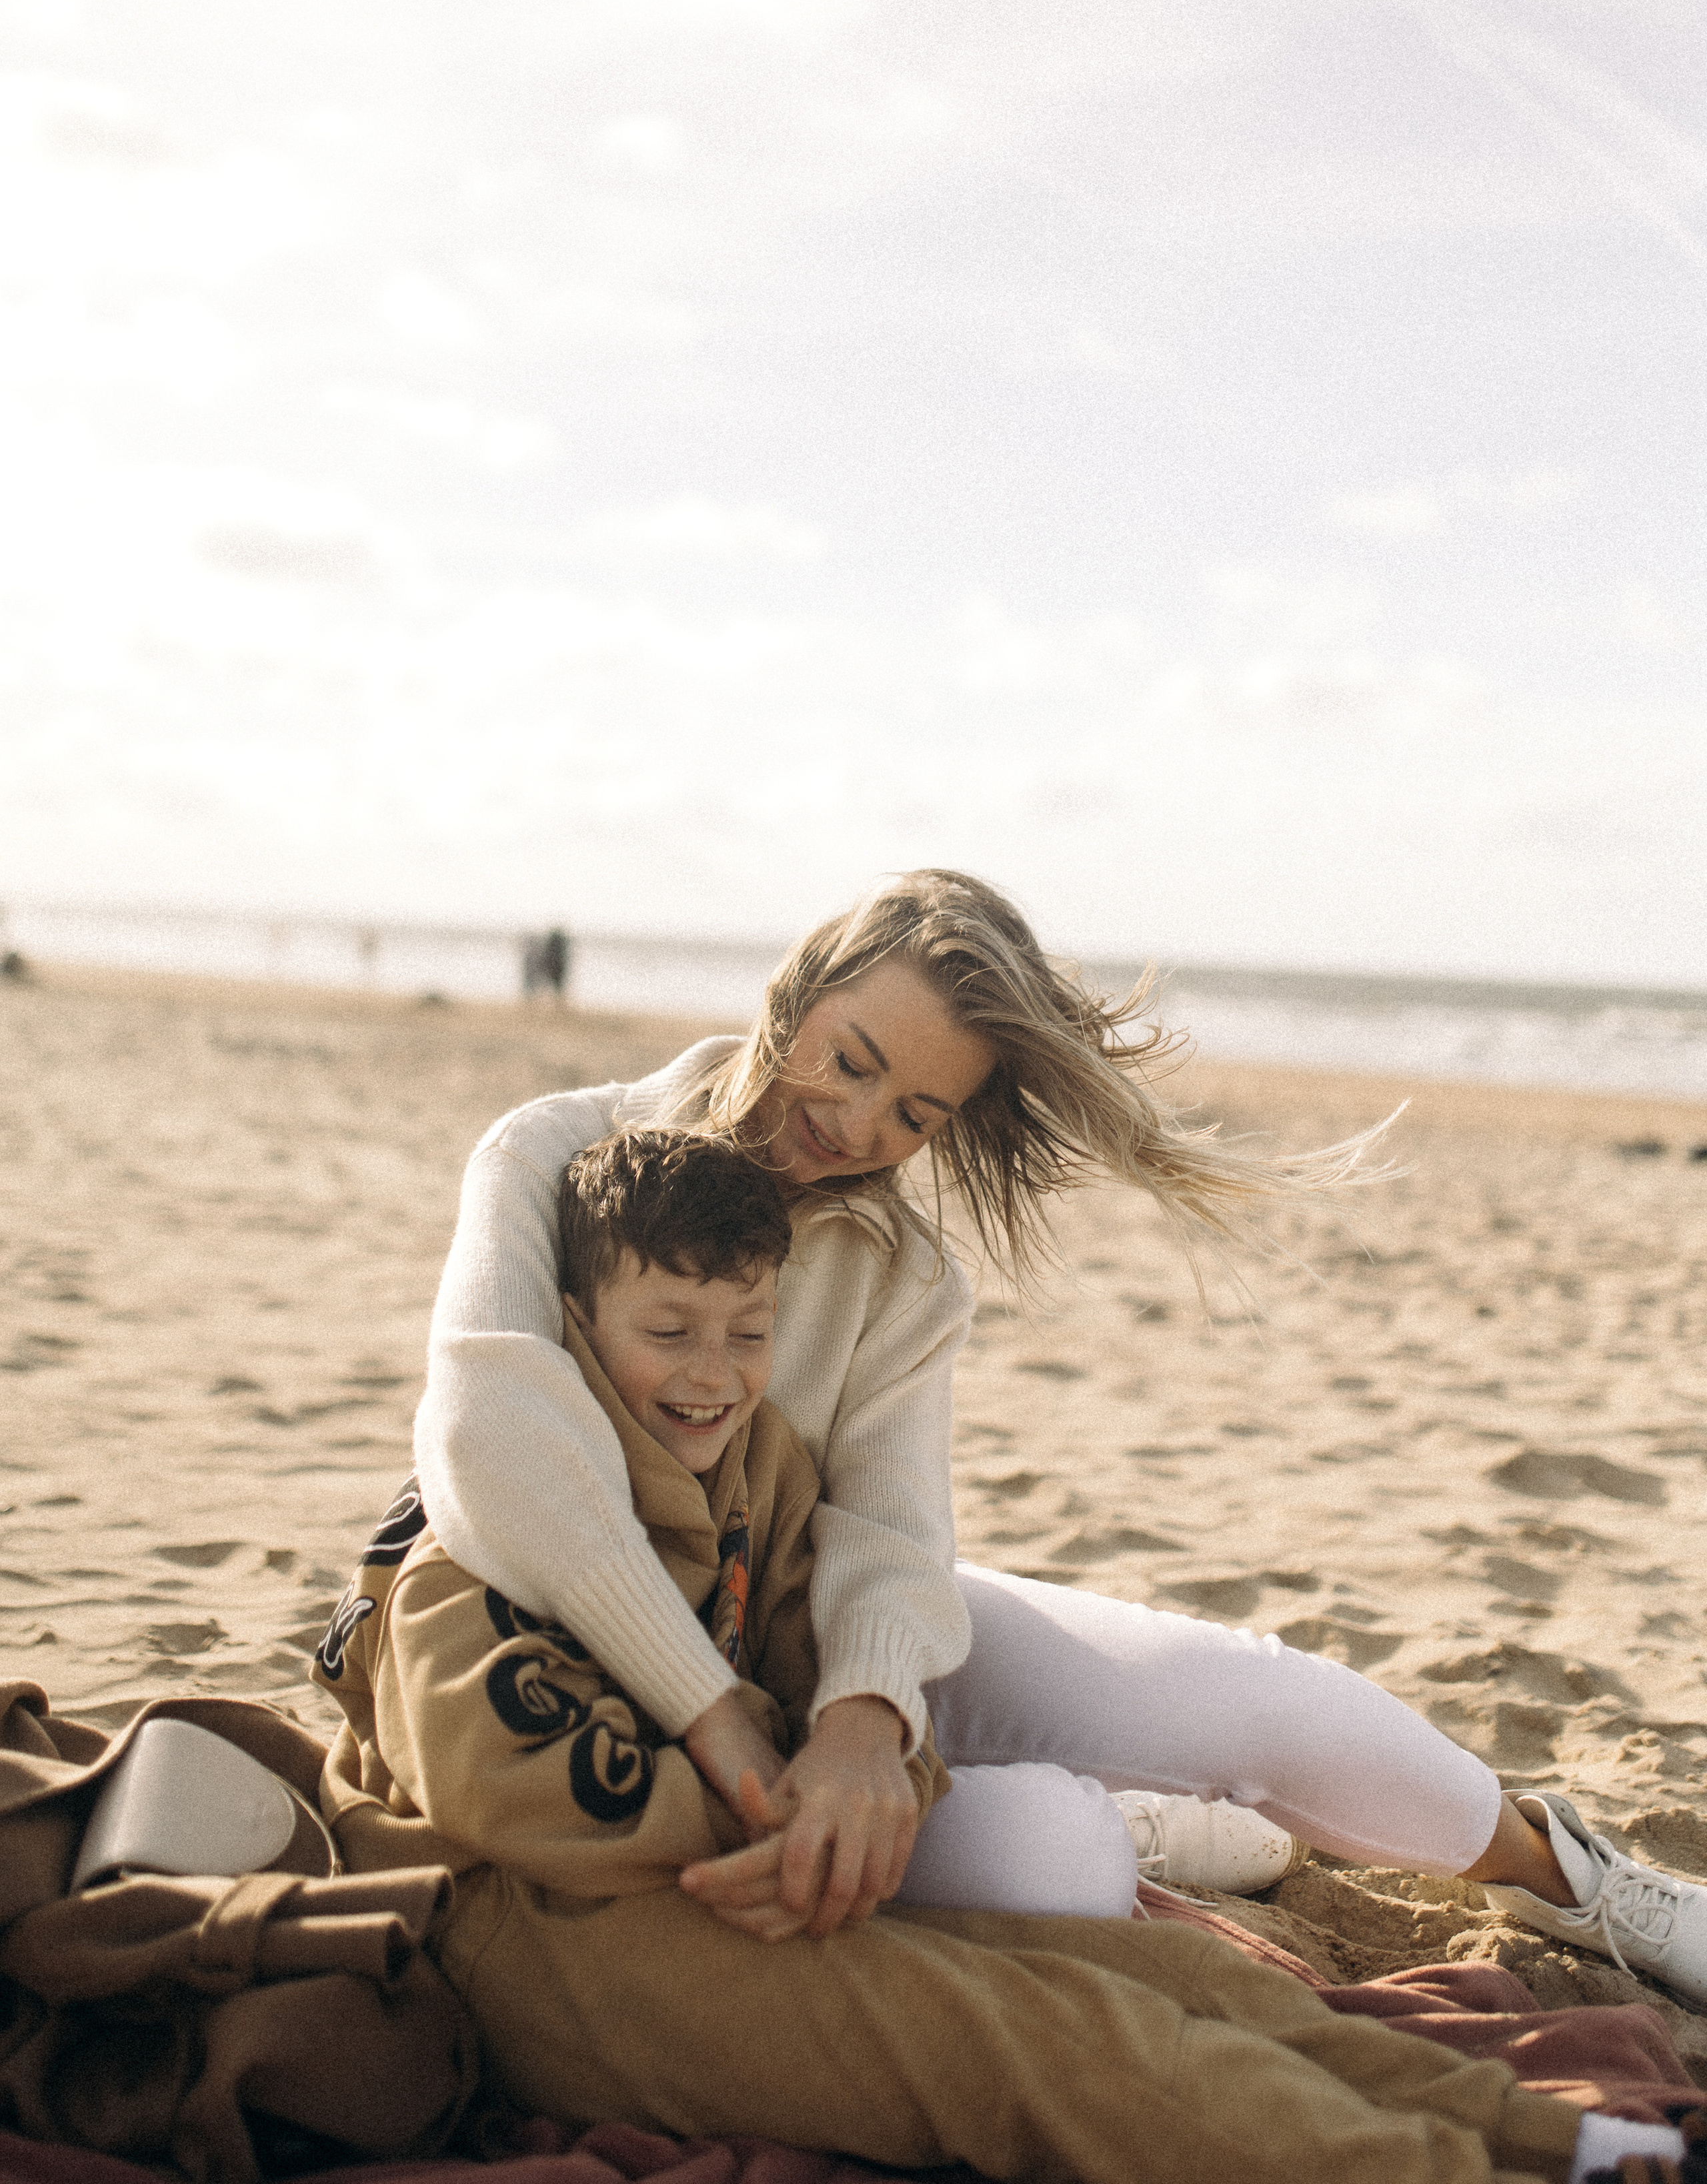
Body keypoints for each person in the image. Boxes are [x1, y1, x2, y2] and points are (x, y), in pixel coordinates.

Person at [413, 868, 1707, 2005]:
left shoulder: (904, 1281)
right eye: (852, 1059)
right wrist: (719, 1719)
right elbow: (486, 1449)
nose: (861, 1128)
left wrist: (864, 1720)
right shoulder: (553, 1152)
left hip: (807, 1638)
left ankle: (1580, 1882)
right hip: (611, 1680)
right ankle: (1160, 1834)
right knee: (1062, 1866)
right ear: (792, 991)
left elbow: (888, 1531)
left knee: (1267, 1703)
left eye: (917, 1113)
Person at [321, 1127, 1686, 2184]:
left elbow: (866, 1675)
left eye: (745, 1335)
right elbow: (507, 1786)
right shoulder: (479, 1544)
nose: (710, 1373)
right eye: (665, 1333)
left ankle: (1548, 2137)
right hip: (546, 1938)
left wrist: (867, 1787)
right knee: (1035, 2048)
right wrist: (773, 1808)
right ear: (572, 1321)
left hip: (750, 1880)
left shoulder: (758, 1475)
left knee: (1173, 1980)